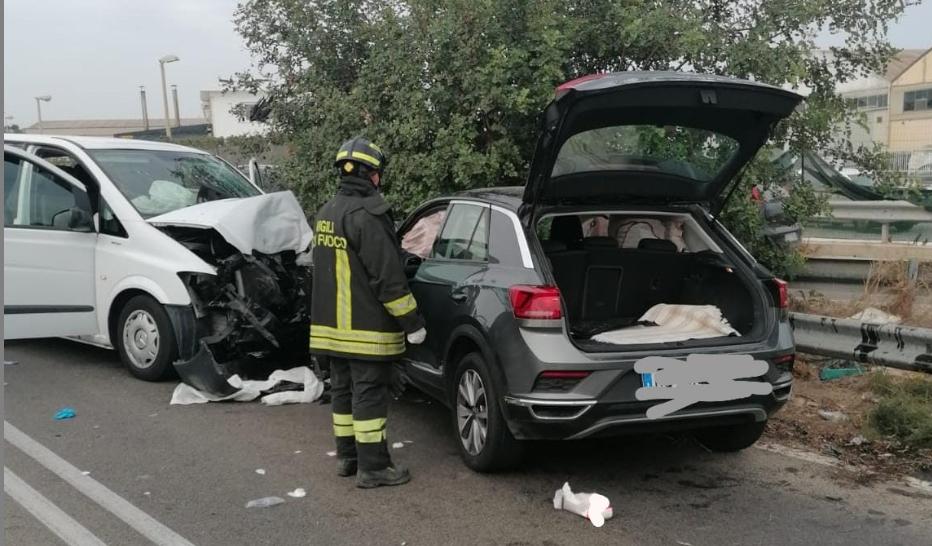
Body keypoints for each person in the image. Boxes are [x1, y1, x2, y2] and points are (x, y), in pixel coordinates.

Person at [309, 136, 427, 488]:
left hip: (331, 330)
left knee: (343, 393)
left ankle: (347, 458)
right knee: (369, 396)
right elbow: (388, 279)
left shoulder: (327, 212)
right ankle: (374, 467)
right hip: (365, 330)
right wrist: (413, 323)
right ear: (371, 174)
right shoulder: (369, 216)